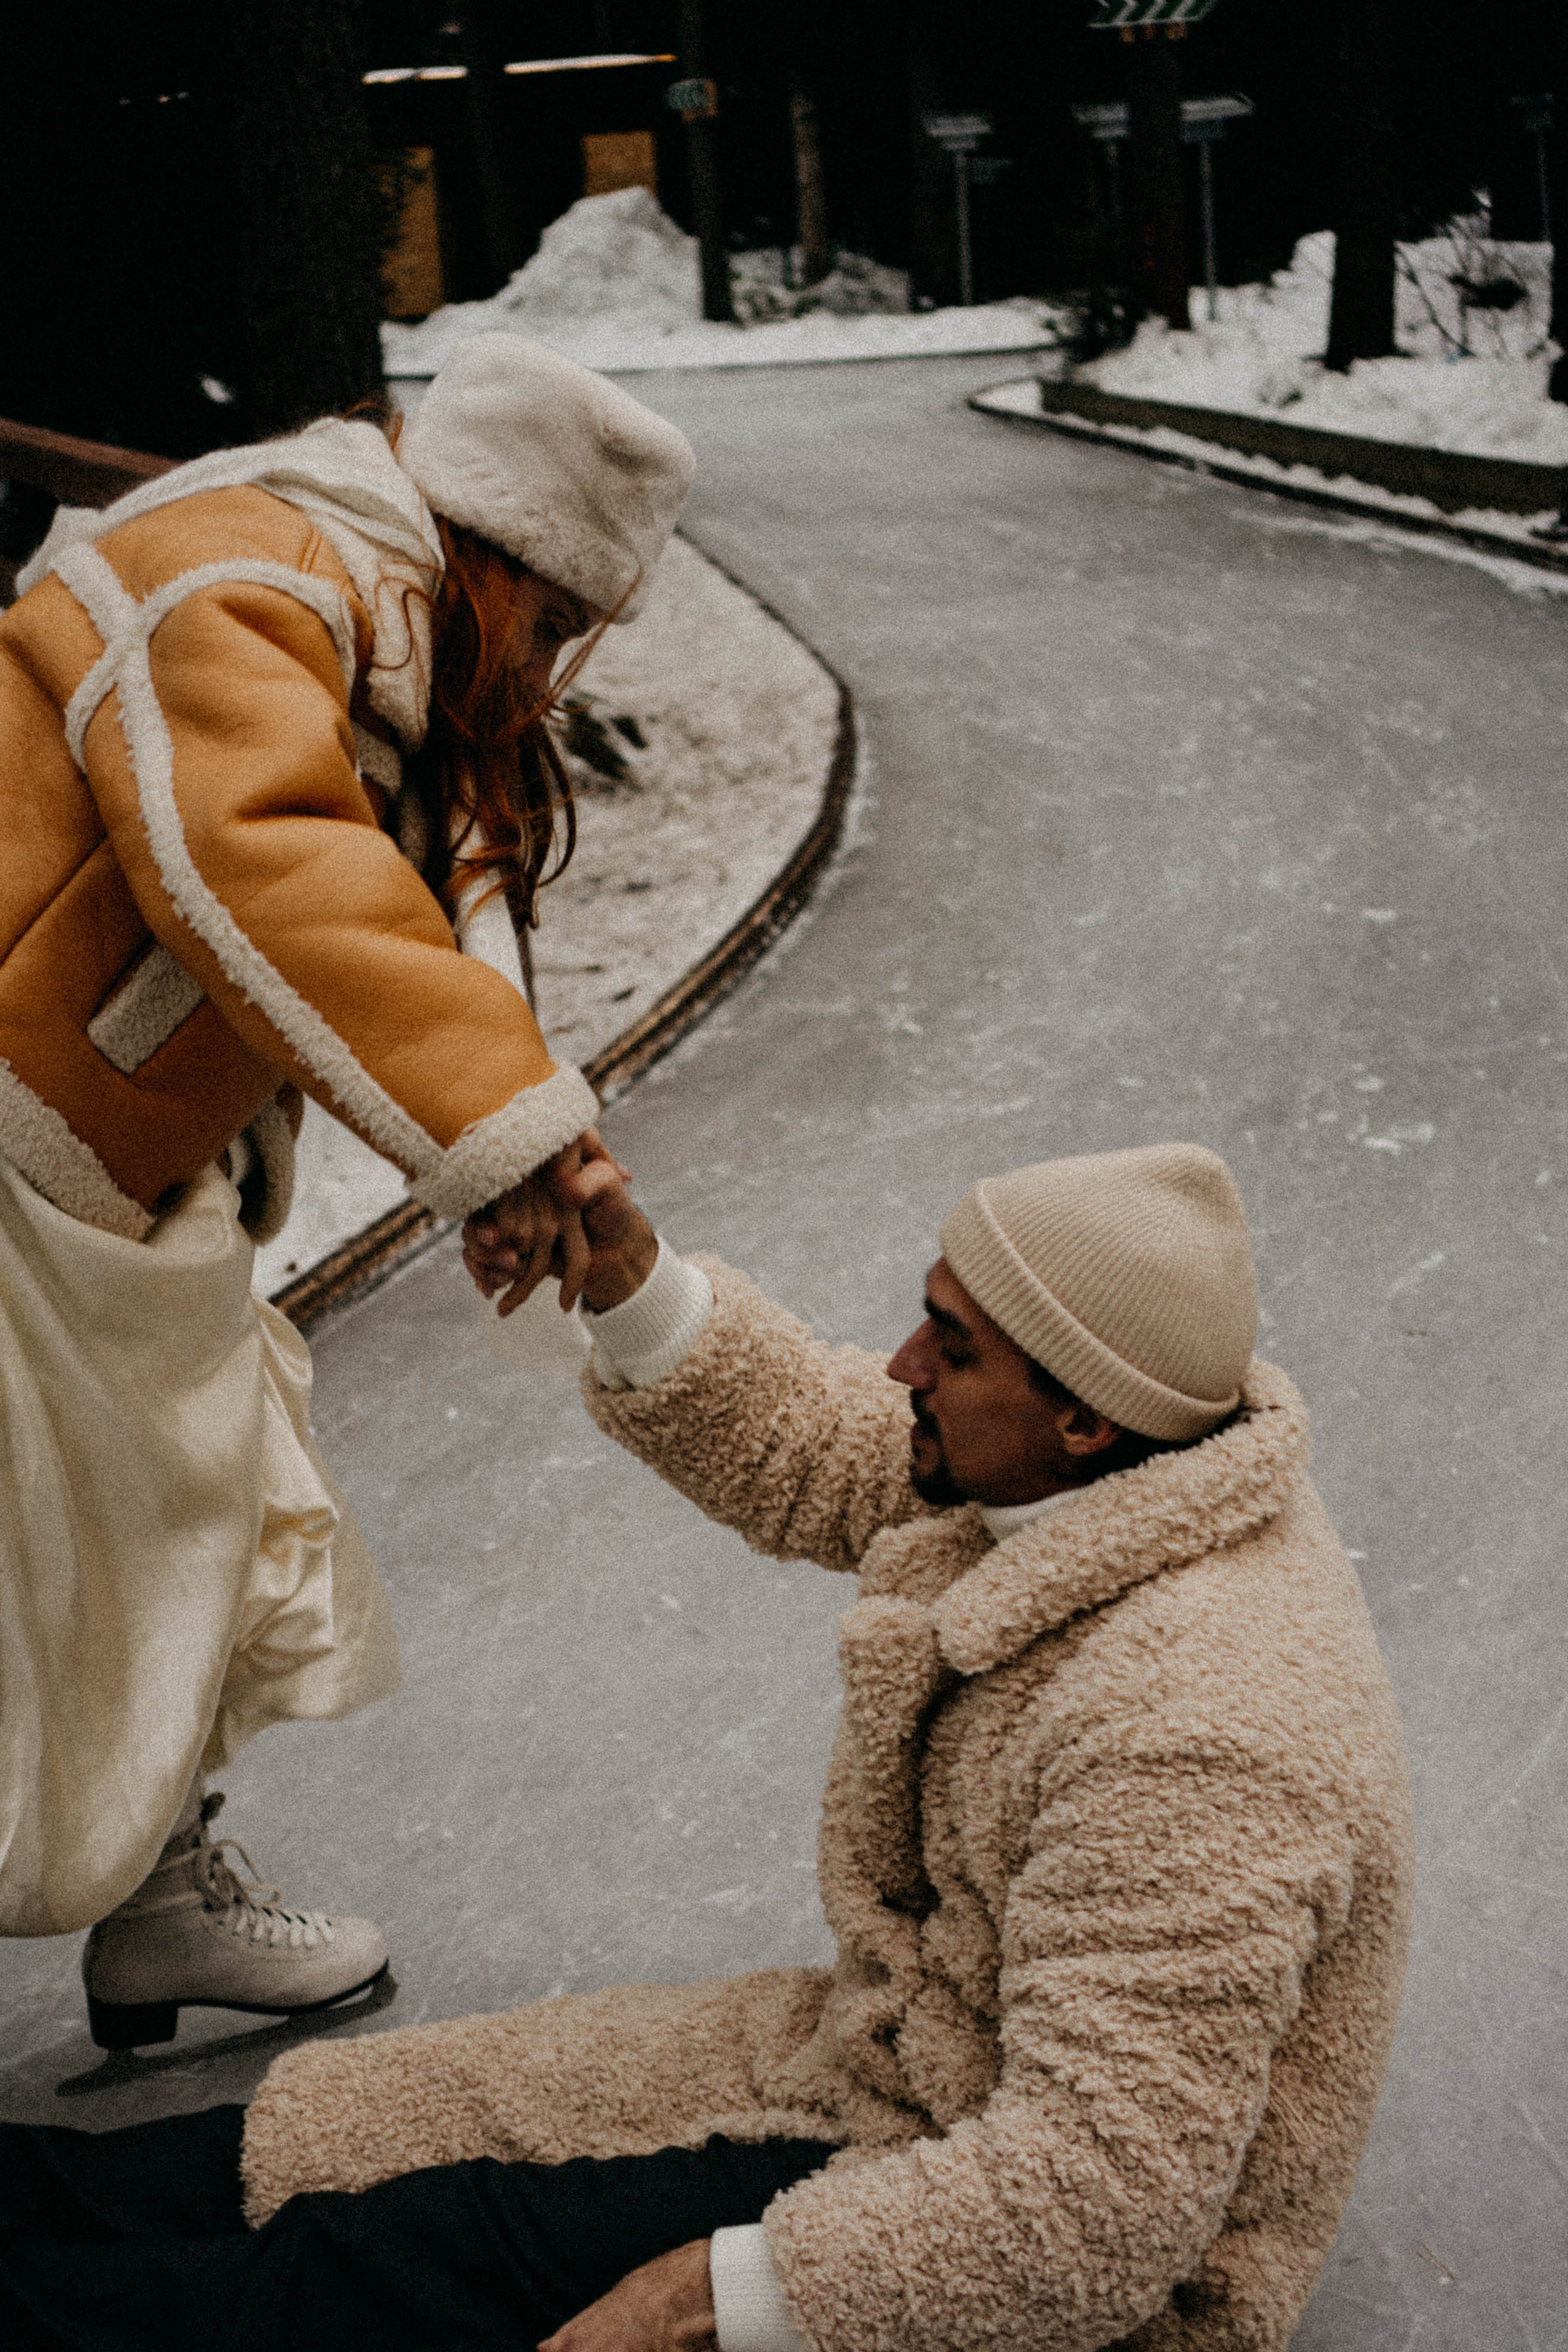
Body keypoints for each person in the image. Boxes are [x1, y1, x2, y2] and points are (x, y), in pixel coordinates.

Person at [0, 1142, 1415, 2352]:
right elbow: (834, 1440)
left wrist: (712, 2295)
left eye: (950, 1345)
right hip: (907, 2073)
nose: (904, 1364)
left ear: (1078, 1413)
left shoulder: (1203, 1732)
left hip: (1008, 2245)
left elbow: (1096, 2210)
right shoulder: (1101, 1464)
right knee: (330, 2139)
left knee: (379, 2260)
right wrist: (625, 1277)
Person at [0, 332, 694, 2047]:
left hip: (112, 1170)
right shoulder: (230, 575)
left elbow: (455, 899)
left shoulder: (386, 627)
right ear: (493, 554)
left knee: (196, 1512)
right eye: (551, 626)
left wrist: (527, 1154)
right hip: (18, 1137)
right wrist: (513, 1142)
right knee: (40, 1559)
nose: (545, 675)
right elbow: (273, 859)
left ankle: (157, 1906)